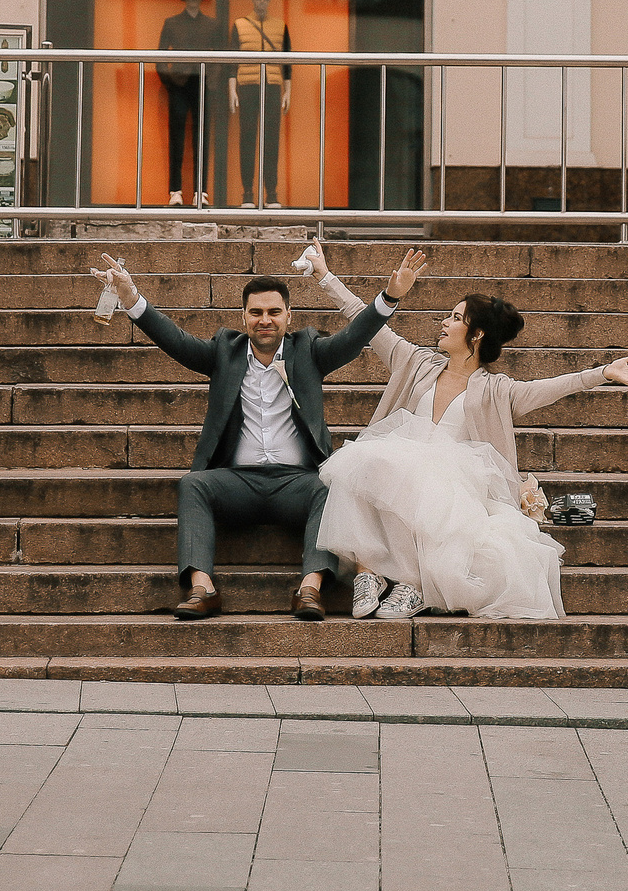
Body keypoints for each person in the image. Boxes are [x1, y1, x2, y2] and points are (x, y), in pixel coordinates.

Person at [308, 250, 628, 621]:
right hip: (399, 471)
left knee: (423, 484)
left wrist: (603, 372)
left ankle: (417, 584)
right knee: (360, 459)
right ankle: (368, 574)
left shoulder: (499, 391)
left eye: (456, 318)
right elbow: (367, 323)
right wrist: (325, 276)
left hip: (456, 487)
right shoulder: (415, 362)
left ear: (476, 334)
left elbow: (552, 387)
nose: (444, 322)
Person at [92, 248, 429, 621]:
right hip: (237, 482)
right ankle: (202, 589)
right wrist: (130, 297)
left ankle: (310, 590)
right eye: (256, 313)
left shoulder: (309, 351)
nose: (264, 320)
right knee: (193, 484)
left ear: (289, 316)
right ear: (244, 317)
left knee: (330, 486)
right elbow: (175, 340)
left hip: (296, 484)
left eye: (273, 312)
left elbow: (354, 336)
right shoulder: (225, 351)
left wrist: (391, 297)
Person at [155, 0, 230, 206]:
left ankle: (201, 191)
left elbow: (223, 56)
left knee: (202, 137)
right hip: (179, 84)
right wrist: (169, 81)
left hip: (203, 84)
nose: (193, 0)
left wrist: (214, 81)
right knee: (176, 137)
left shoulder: (212, 25)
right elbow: (159, 56)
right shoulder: (172, 23)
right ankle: (175, 190)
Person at [230, 0, 292, 207]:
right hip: (247, 85)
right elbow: (231, 60)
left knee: (271, 141)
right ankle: (247, 193)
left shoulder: (280, 26)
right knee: (247, 140)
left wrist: (288, 91)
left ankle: (271, 193)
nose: (262, 1)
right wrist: (232, 90)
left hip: (272, 86)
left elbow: (288, 61)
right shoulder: (239, 25)